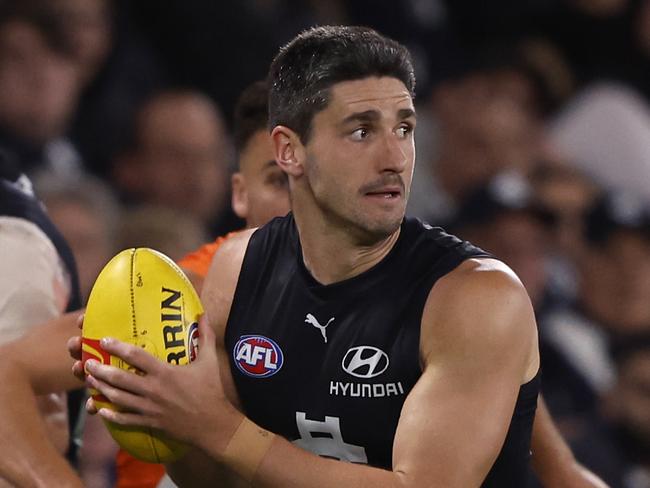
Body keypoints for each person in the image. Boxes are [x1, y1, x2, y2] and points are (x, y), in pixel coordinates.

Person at [79, 26, 563, 487]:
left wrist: (217, 427)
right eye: (361, 132)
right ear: (289, 151)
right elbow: (225, 479)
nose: (394, 157)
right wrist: (166, 418)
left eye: (404, 128)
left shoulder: (477, 297)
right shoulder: (237, 270)